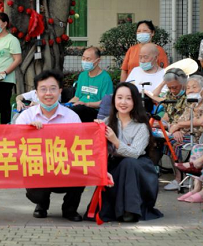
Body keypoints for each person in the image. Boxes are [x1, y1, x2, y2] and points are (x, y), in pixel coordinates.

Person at [15, 70, 84, 222]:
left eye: (53, 89)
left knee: (83, 170)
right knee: (37, 193)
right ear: (36, 93)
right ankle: (42, 204)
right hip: (38, 168)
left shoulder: (71, 116)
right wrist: (28, 132)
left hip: (65, 167)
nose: (48, 93)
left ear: (60, 91)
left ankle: (70, 209)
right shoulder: (26, 116)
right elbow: (14, 145)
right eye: (43, 89)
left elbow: (81, 146)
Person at [92, 82, 162, 222]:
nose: (123, 102)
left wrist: (115, 141)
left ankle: (131, 210)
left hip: (139, 168)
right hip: (115, 166)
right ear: (114, 100)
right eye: (119, 98)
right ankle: (119, 209)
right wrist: (94, 129)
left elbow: (135, 153)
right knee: (121, 164)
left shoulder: (141, 126)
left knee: (129, 162)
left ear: (135, 101)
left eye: (128, 98)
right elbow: (96, 149)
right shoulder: (106, 122)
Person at [67, 47, 114, 122]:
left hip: (94, 112)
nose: (85, 61)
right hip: (79, 108)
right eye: (83, 58)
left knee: (79, 109)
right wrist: (66, 106)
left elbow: (105, 102)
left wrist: (86, 104)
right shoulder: (82, 76)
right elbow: (77, 97)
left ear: (97, 61)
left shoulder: (105, 78)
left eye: (88, 59)